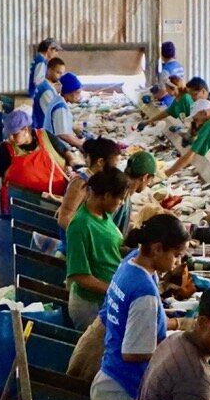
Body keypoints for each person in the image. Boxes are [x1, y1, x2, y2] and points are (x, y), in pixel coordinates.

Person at [91, 215, 190, 400]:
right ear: (156, 249)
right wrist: (177, 347)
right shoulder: (144, 292)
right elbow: (133, 353)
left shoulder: (133, 262)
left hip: (109, 379)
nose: (177, 262)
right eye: (175, 255)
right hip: (122, 391)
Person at [64, 167, 129, 329]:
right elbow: (80, 275)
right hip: (90, 306)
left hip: (106, 299)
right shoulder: (80, 225)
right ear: (106, 196)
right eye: (120, 199)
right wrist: (117, 291)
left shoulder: (104, 216)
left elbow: (108, 249)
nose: (121, 204)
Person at [0, 109, 68, 217]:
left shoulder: (45, 137)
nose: (10, 138)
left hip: (54, 204)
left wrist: (73, 160)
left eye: (15, 134)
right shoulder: (5, 150)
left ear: (26, 130)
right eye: (9, 134)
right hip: (20, 209)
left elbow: (66, 152)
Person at [56, 137, 123, 228]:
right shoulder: (80, 183)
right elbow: (64, 218)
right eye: (114, 165)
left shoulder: (100, 181)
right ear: (100, 162)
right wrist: (87, 236)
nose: (115, 170)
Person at [143, 77, 210, 128]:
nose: (192, 98)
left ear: (203, 91)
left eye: (195, 95)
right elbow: (167, 112)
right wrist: (148, 121)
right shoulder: (203, 104)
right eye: (191, 95)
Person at [114, 151, 159, 234]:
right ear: (145, 177)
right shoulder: (121, 199)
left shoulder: (115, 185)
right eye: (150, 179)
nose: (148, 183)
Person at [48, 72, 86, 150]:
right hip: (56, 148)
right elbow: (62, 134)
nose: (79, 96)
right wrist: (81, 143)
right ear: (70, 92)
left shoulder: (58, 100)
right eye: (78, 92)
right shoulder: (60, 108)